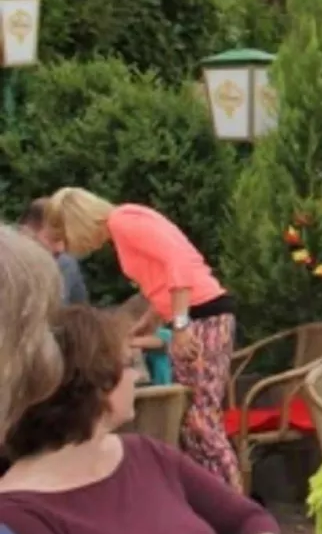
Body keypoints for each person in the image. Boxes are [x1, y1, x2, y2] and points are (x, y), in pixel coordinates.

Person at [0, 305, 284, 534]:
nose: (138, 376)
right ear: (95, 386)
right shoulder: (17, 512)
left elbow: (249, 520)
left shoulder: (144, 453)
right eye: (129, 365)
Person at [0, 226, 180, 534]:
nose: (50, 362)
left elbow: (248, 522)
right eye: (37, 334)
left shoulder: (142, 453)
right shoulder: (13, 525)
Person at [45, 189, 241, 489]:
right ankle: (216, 502)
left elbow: (178, 264)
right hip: (197, 315)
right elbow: (161, 278)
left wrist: (180, 324)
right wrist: (148, 322)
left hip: (204, 317)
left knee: (201, 422)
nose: (66, 246)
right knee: (193, 422)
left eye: (65, 236)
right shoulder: (124, 225)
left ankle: (235, 505)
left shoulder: (125, 222)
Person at [19, 198, 88, 306]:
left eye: (65, 240)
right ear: (26, 232)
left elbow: (79, 315)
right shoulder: (6, 265)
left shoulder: (66, 264)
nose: (60, 249)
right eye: (54, 239)